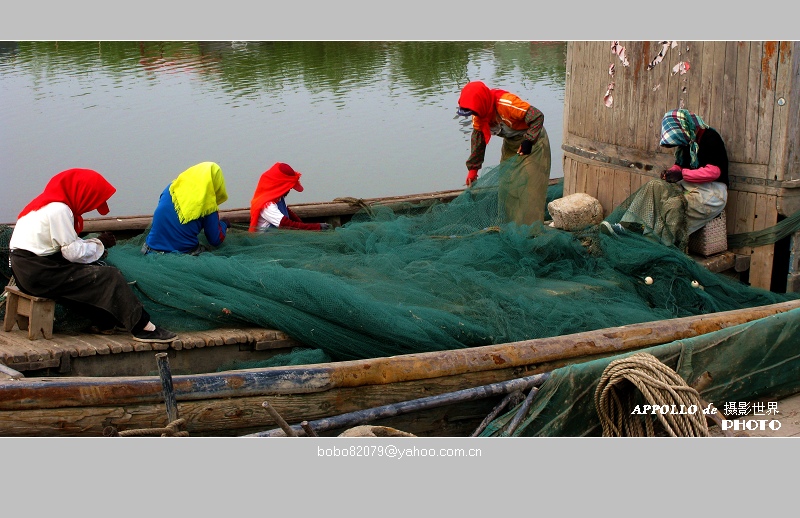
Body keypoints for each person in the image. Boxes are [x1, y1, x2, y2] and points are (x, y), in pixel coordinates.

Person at [8, 168, 177, 343]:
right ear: (83, 193)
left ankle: (105, 322)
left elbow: (64, 247)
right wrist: (101, 243)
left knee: (91, 273)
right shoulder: (59, 210)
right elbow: (73, 253)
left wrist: (97, 243)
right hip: (37, 272)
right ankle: (142, 327)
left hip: (26, 271)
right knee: (110, 276)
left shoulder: (43, 205)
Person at [601, 109, 729, 252]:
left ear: (684, 127)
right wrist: (671, 172)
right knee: (654, 185)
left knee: (673, 205)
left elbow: (714, 171)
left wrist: (682, 174)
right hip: (689, 185)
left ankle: (661, 245)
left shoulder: (710, 138)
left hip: (711, 193)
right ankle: (627, 227)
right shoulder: (688, 140)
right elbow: (680, 165)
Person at [456, 80, 552, 225]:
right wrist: (473, 169)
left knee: (530, 189)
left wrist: (528, 141)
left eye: (472, 111)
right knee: (508, 186)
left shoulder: (507, 103)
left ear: (481, 102)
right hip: (511, 145)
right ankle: (509, 226)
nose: (473, 115)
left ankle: (530, 231)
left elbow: (537, 116)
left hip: (533, 144)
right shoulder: (479, 115)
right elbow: (478, 141)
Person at [143, 162, 231, 255]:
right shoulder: (208, 203)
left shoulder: (172, 187)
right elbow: (215, 239)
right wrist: (224, 223)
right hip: (182, 254)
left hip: (149, 249)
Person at [248, 162, 332, 232]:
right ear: (280, 186)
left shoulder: (278, 198)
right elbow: (286, 224)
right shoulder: (267, 205)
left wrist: (306, 226)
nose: (290, 189)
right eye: (289, 187)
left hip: (279, 238)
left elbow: (289, 214)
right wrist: (316, 227)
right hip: (268, 243)